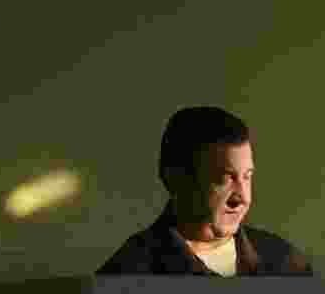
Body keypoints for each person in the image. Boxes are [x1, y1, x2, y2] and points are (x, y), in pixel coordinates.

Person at [97, 107, 313, 276]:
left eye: (247, 177)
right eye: (225, 178)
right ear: (177, 180)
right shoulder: (128, 272)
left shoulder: (285, 263)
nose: (242, 198)